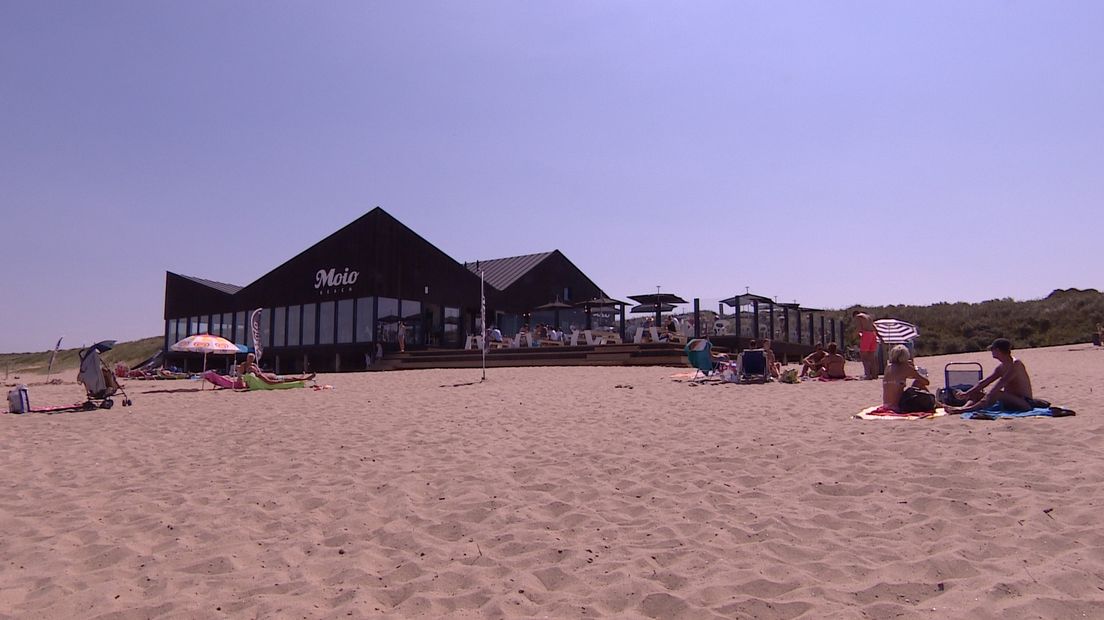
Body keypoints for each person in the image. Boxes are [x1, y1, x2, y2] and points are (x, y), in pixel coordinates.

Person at [945, 338, 1036, 413]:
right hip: (1009, 399)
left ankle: (964, 410)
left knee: (995, 393)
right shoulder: (1001, 367)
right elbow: (985, 382)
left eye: (992, 349)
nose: (991, 352)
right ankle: (963, 408)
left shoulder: (1016, 364)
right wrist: (967, 393)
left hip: (1024, 402)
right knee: (975, 393)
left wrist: (987, 397)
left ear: (997, 350)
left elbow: (1001, 383)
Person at [882, 344, 929, 410]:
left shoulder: (888, 367)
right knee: (918, 383)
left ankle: (938, 403)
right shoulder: (906, 368)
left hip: (886, 404)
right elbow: (926, 382)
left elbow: (898, 375)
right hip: (898, 406)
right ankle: (938, 404)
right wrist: (913, 369)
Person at [238, 353, 315, 384]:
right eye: (249, 358)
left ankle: (302, 378)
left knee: (291, 378)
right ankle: (305, 379)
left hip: (273, 377)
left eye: (252, 358)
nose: (251, 360)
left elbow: (259, 372)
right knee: (291, 378)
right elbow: (269, 382)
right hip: (274, 379)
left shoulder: (255, 367)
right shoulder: (244, 365)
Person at [852, 310, 880, 379]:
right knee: (872, 357)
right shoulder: (868, 316)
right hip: (873, 334)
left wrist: (853, 336)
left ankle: (867, 375)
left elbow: (859, 328)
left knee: (864, 356)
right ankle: (874, 375)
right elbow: (874, 327)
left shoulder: (858, 317)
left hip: (866, 334)